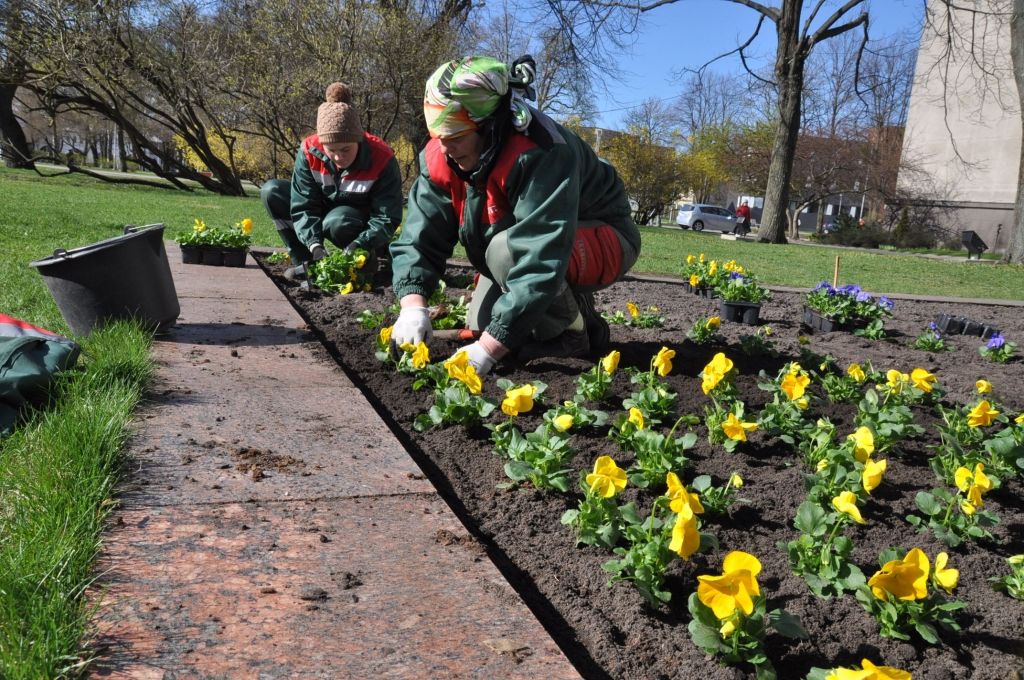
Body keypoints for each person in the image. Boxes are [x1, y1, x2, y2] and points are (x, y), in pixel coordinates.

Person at [389, 55, 641, 376]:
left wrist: (488, 350)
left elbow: (541, 252)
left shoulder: (541, 150)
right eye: (439, 135)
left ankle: (572, 335)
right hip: (523, 246)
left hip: (603, 239)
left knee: (504, 266)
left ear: (489, 126)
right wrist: (413, 307)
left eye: (456, 136)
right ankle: (581, 316)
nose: (445, 147)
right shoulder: (444, 155)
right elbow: (421, 236)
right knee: (483, 323)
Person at [260, 82, 404, 280]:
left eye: (346, 149)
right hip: (324, 207)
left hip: (355, 220)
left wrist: (360, 243)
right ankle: (306, 261)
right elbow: (303, 205)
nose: (338, 157)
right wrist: (315, 245)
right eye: (331, 150)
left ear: (358, 140)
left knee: (338, 221)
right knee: (272, 192)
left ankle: (363, 262)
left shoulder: (382, 158)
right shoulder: (309, 151)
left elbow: (386, 216)